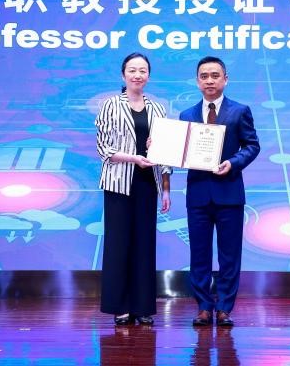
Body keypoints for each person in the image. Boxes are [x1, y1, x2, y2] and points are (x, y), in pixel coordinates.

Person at [180, 56, 260, 327]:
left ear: (226, 79)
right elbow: (179, 151)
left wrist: (233, 163)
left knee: (229, 255)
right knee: (199, 255)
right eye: (204, 76)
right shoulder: (186, 115)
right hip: (198, 194)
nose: (210, 80)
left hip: (229, 193)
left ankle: (225, 308)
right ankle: (204, 307)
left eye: (215, 75)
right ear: (197, 81)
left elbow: (252, 146)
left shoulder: (240, 111)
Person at [95, 52, 172, 326]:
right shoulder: (110, 105)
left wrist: (166, 188)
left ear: (148, 75)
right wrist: (134, 158)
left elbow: (166, 152)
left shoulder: (158, 109)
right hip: (118, 182)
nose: (137, 75)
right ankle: (120, 306)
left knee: (144, 245)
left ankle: (142, 307)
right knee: (118, 245)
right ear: (123, 74)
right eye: (132, 70)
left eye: (142, 70)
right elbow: (103, 148)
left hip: (147, 183)